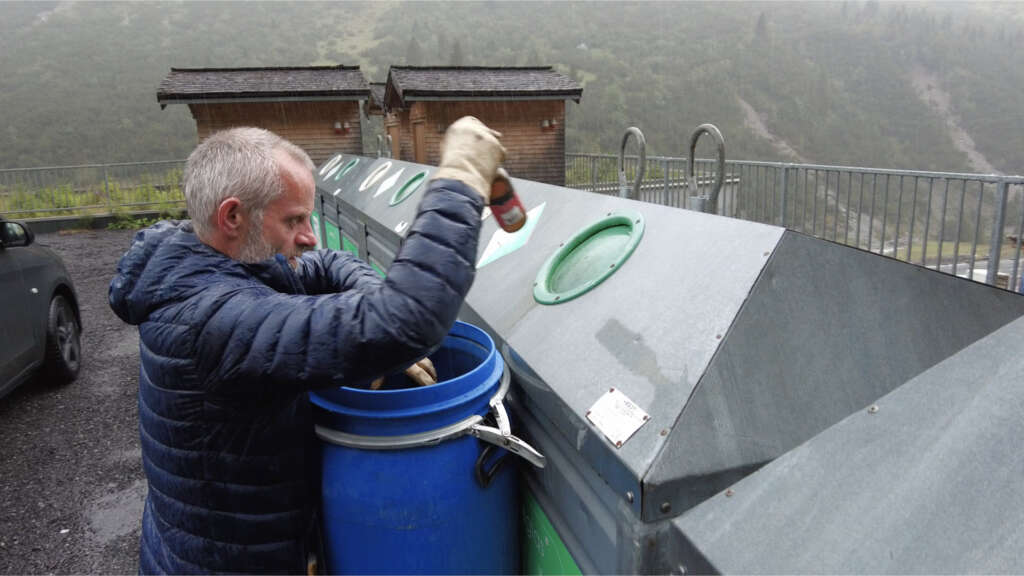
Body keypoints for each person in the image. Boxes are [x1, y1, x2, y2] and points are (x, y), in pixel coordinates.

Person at [109, 118, 505, 574]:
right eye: (294, 220)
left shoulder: (203, 260)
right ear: (233, 217)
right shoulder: (213, 320)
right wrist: (461, 177)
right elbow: (410, 316)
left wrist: (370, 320)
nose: (310, 236)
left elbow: (327, 263)